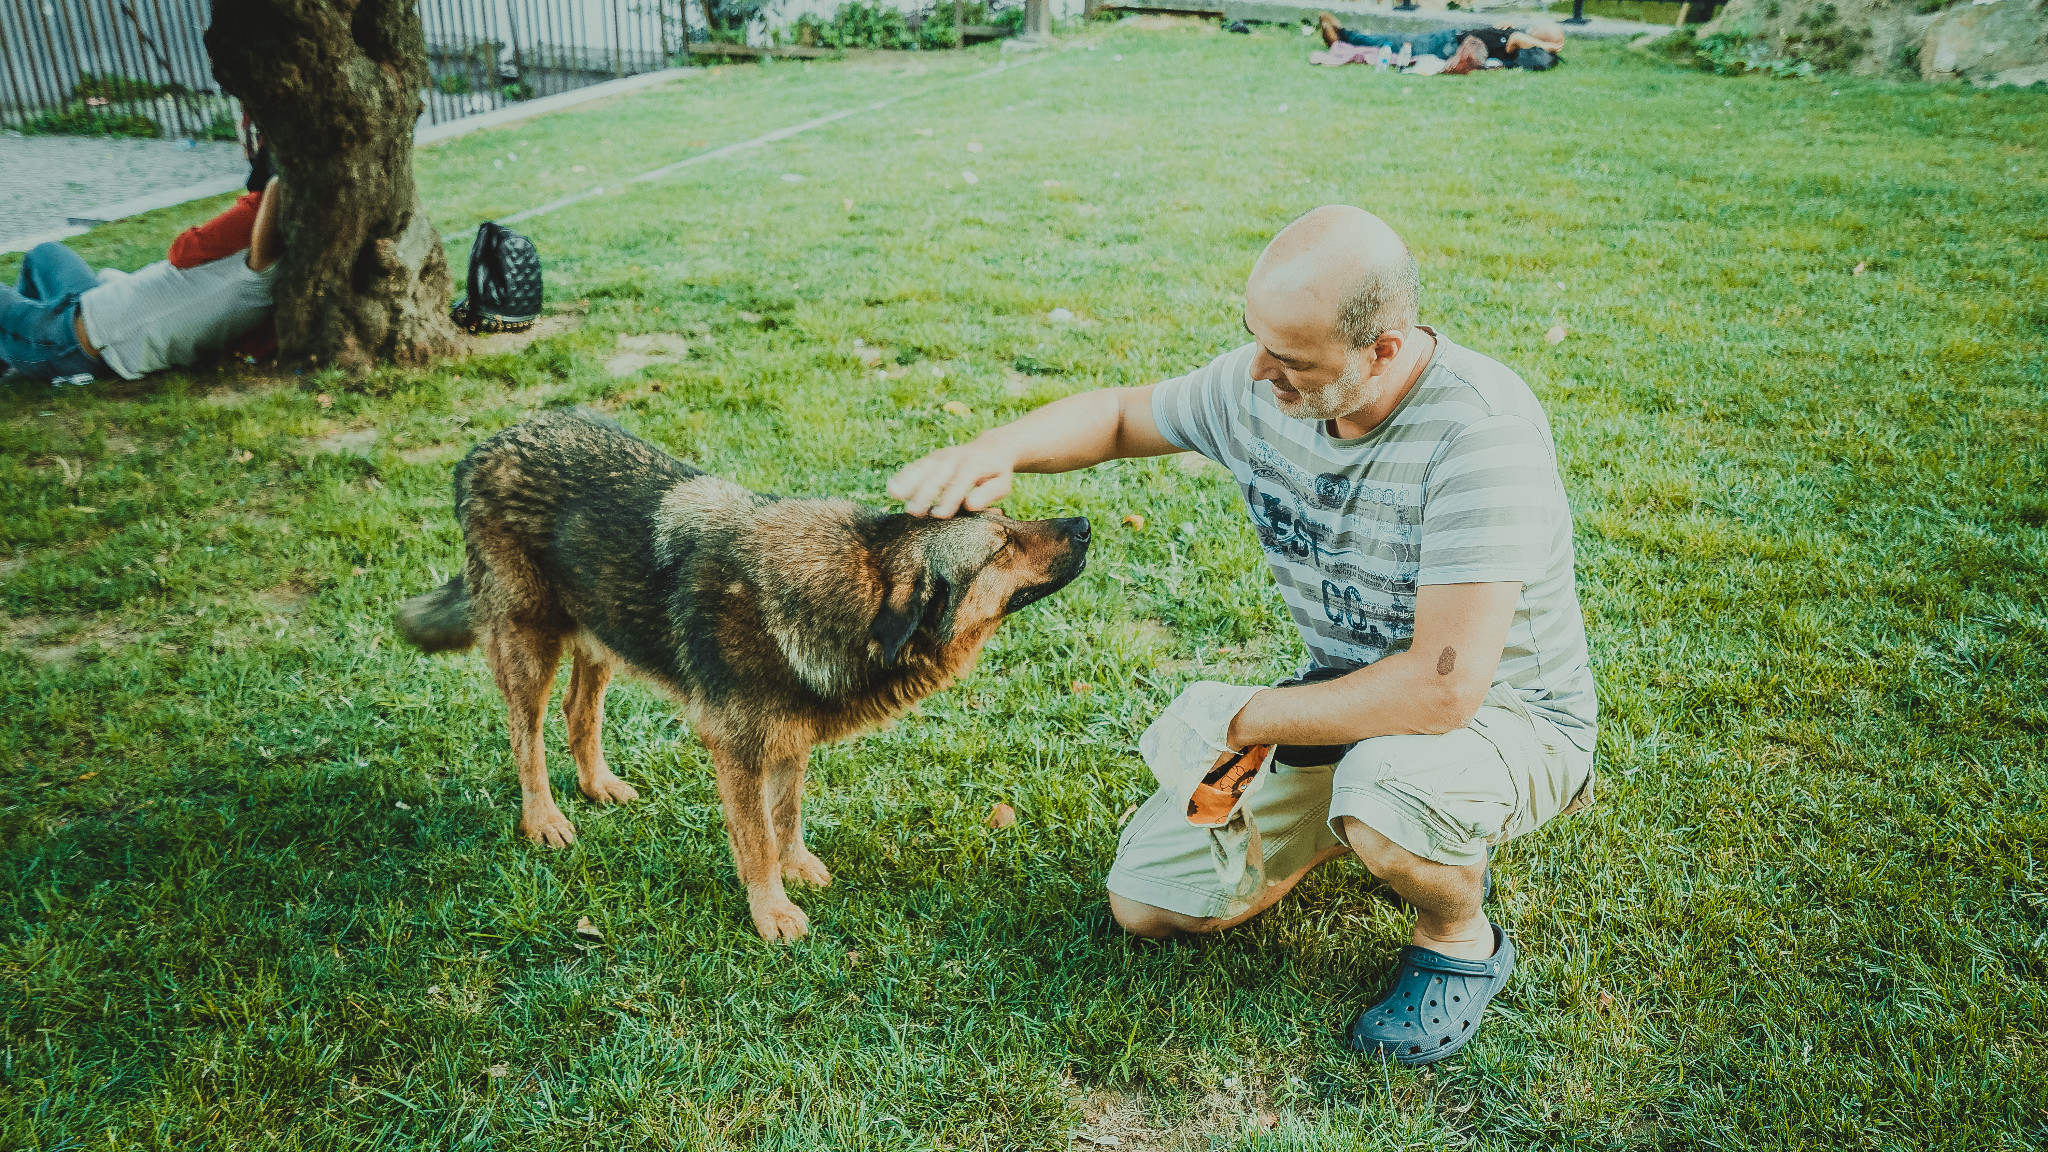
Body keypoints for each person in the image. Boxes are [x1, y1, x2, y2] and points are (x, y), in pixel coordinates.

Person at [887, 206, 1597, 1066]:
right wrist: (997, 450)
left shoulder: (1480, 435)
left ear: (1383, 348)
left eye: (1291, 358)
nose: (1260, 372)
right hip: (1346, 697)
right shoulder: (1270, 384)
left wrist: (1247, 720)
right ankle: (1357, 820)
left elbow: (1443, 691)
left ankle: (1456, 933)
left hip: (1503, 717)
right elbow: (1119, 416)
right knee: (1147, 901)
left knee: (1385, 783)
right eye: (1255, 341)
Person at [0, 176, 283, 383]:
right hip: (89, 306)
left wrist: (274, 175)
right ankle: (8, 353)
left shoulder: (259, 279)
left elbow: (185, 249)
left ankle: (19, 348)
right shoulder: (256, 267)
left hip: (68, 342)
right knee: (44, 253)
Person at [1316, 12, 1565, 72]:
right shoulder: (1518, 36)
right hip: (1449, 39)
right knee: (1393, 41)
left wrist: (1548, 45)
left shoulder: (1521, 43)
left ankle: (1341, 34)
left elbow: (1520, 38)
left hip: (1446, 43)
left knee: (1392, 42)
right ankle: (1342, 34)